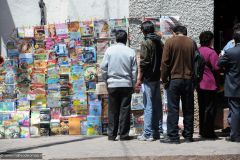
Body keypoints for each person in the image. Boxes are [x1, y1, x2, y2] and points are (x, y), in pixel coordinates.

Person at [100, 30, 137, 141]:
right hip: (126, 84)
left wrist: (107, 81)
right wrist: (133, 84)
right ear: (126, 39)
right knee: (125, 110)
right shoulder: (131, 51)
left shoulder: (109, 50)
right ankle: (124, 135)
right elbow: (134, 71)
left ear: (116, 39)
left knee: (112, 110)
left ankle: (112, 134)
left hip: (113, 84)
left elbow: (103, 68)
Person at [160, 25, 195, 144]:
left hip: (174, 80)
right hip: (188, 80)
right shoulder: (192, 43)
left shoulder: (169, 42)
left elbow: (164, 63)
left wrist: (164, 80)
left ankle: (173, 137)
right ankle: (189, 136)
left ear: (175, 33)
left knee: (173, 109)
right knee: (188, 109)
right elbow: (197, 62)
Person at [135, 21, 164, 141]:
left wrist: (139, 78)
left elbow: (144, 62)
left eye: (142, 30)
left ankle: (148, 133)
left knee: (148, 106)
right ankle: (158, 131)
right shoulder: (159, 41)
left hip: (149, 78)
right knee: (157, 105)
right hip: (157, 77)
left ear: (144, 30)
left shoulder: (146, 42)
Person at [218, 31, 240, 142]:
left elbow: (219, 63)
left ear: (234, 40)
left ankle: (235, 136)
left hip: (234, 86)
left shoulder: (230, 52)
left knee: (235, 110)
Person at [197, 31, 220, 139]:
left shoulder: (198, 50)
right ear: (210, 40)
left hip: (199, 84)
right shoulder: (211, 52)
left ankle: (202, 130)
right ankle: (209, 132)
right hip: (210, 84)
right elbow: (217, 67)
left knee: (202, 108)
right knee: (210, 109)